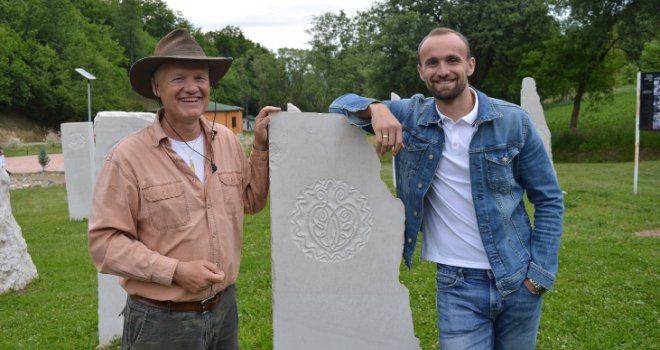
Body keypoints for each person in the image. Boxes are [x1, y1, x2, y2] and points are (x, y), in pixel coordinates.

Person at [329, 27, 564, 349]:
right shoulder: (409, 116)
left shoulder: (514, 121)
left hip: (517, 277)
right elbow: (338, 105)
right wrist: (377, 108)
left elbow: (549, 200)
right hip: (456, 282)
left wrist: (539, 275)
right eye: (432, 62)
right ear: (421, 71)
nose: (442, 71)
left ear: (470, 65)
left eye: (452, 60)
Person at [88, 28, 280, 349]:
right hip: (161, 322)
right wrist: (175, 271)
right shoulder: (127, 157)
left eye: (200, 78)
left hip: (223, 310)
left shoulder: (228, 142)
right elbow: (104, 245)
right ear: (156, 87)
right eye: (178, 78)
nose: (192, 88)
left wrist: (259, 148)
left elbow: (251, 201)